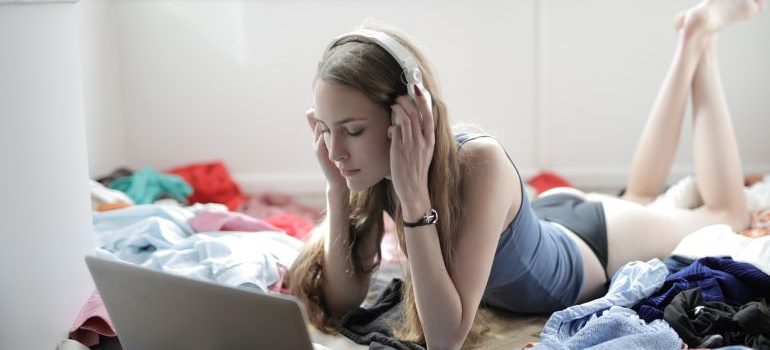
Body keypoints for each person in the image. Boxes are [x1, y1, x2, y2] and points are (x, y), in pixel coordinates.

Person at [287, 0, 766, 348]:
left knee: (724, 210)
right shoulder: (376, 169)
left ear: (406, 117)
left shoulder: (478, 163)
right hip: (535, 223)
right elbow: (343, 297)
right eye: (326, 130)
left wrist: (414, 202)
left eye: (351, 130)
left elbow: (445, 337)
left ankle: (699, 41)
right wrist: (334, 189)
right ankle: (690, 43)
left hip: (590, 245)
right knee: (640, 194)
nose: (336, 149)